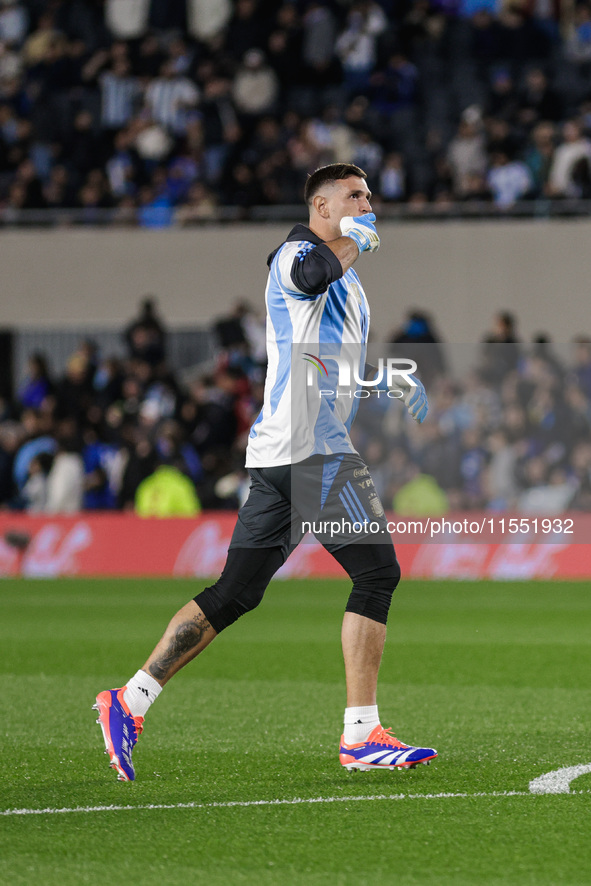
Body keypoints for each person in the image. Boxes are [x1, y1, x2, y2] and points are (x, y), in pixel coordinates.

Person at [94, 162, 436, 781]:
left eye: (369, 195)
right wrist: (359, 237)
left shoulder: (350, 282)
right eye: (354, 196)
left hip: (287, 449)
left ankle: (129, 700)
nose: (368, 204)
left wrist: (388, 381)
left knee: (235, 593)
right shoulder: (294, 253)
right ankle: (361, 735)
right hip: (311, 448)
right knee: (377, 571)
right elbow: (311, 273)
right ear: (323, 207)